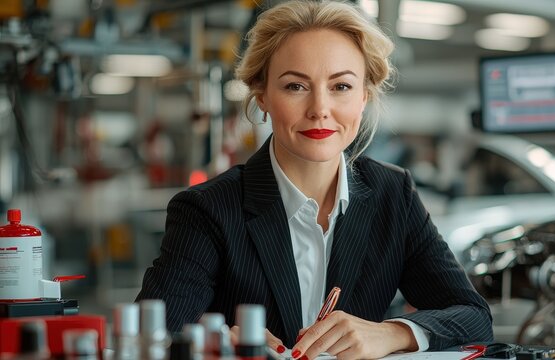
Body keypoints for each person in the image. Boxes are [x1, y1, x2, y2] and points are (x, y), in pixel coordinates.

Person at [136, 0, 493, 358]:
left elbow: (473, 316)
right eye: (295, 86)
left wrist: (392, 333)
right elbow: (148, 334)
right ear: (262, 95)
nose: (320, 108)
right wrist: (212, 340)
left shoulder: (393, 194)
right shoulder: (208, 210)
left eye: (341, 87)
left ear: (364, 96)